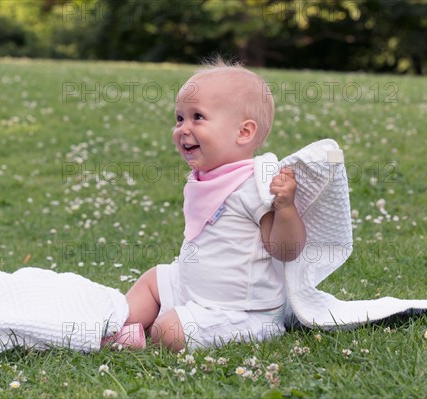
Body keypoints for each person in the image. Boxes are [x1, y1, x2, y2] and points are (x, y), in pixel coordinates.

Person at [117, 59, 306, 351]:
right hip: (194, 289)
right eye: (180, 118)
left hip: (243, 311)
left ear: (243, 132)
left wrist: (285, 209)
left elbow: (285, 250)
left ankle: (142, 336)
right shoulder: (205, 177)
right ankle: (115, 323)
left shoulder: (255, 184)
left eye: (198, 117)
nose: (183, 128)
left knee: (169, 331)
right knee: (153, 280)